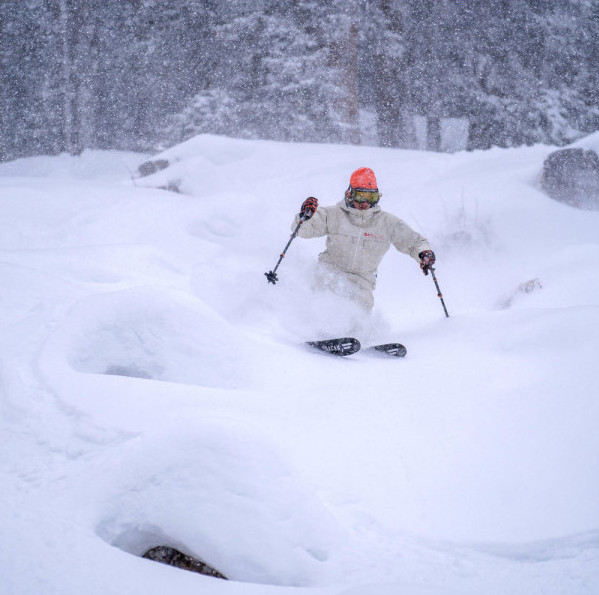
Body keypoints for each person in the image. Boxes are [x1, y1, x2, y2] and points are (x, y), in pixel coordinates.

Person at [292, 167, 435, 312]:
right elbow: (302, 231)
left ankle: (355, 333)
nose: (365, 202)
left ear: (377, 197)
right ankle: (317, 330)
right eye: (360, 195)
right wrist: (305, 217)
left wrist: (423, 253)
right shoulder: (333, 214)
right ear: (350, 194)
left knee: (360, 307)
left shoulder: (386, 222)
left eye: (370, 197)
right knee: (325, 297)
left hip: (362, 280)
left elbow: (415, 242)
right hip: (331, 271)